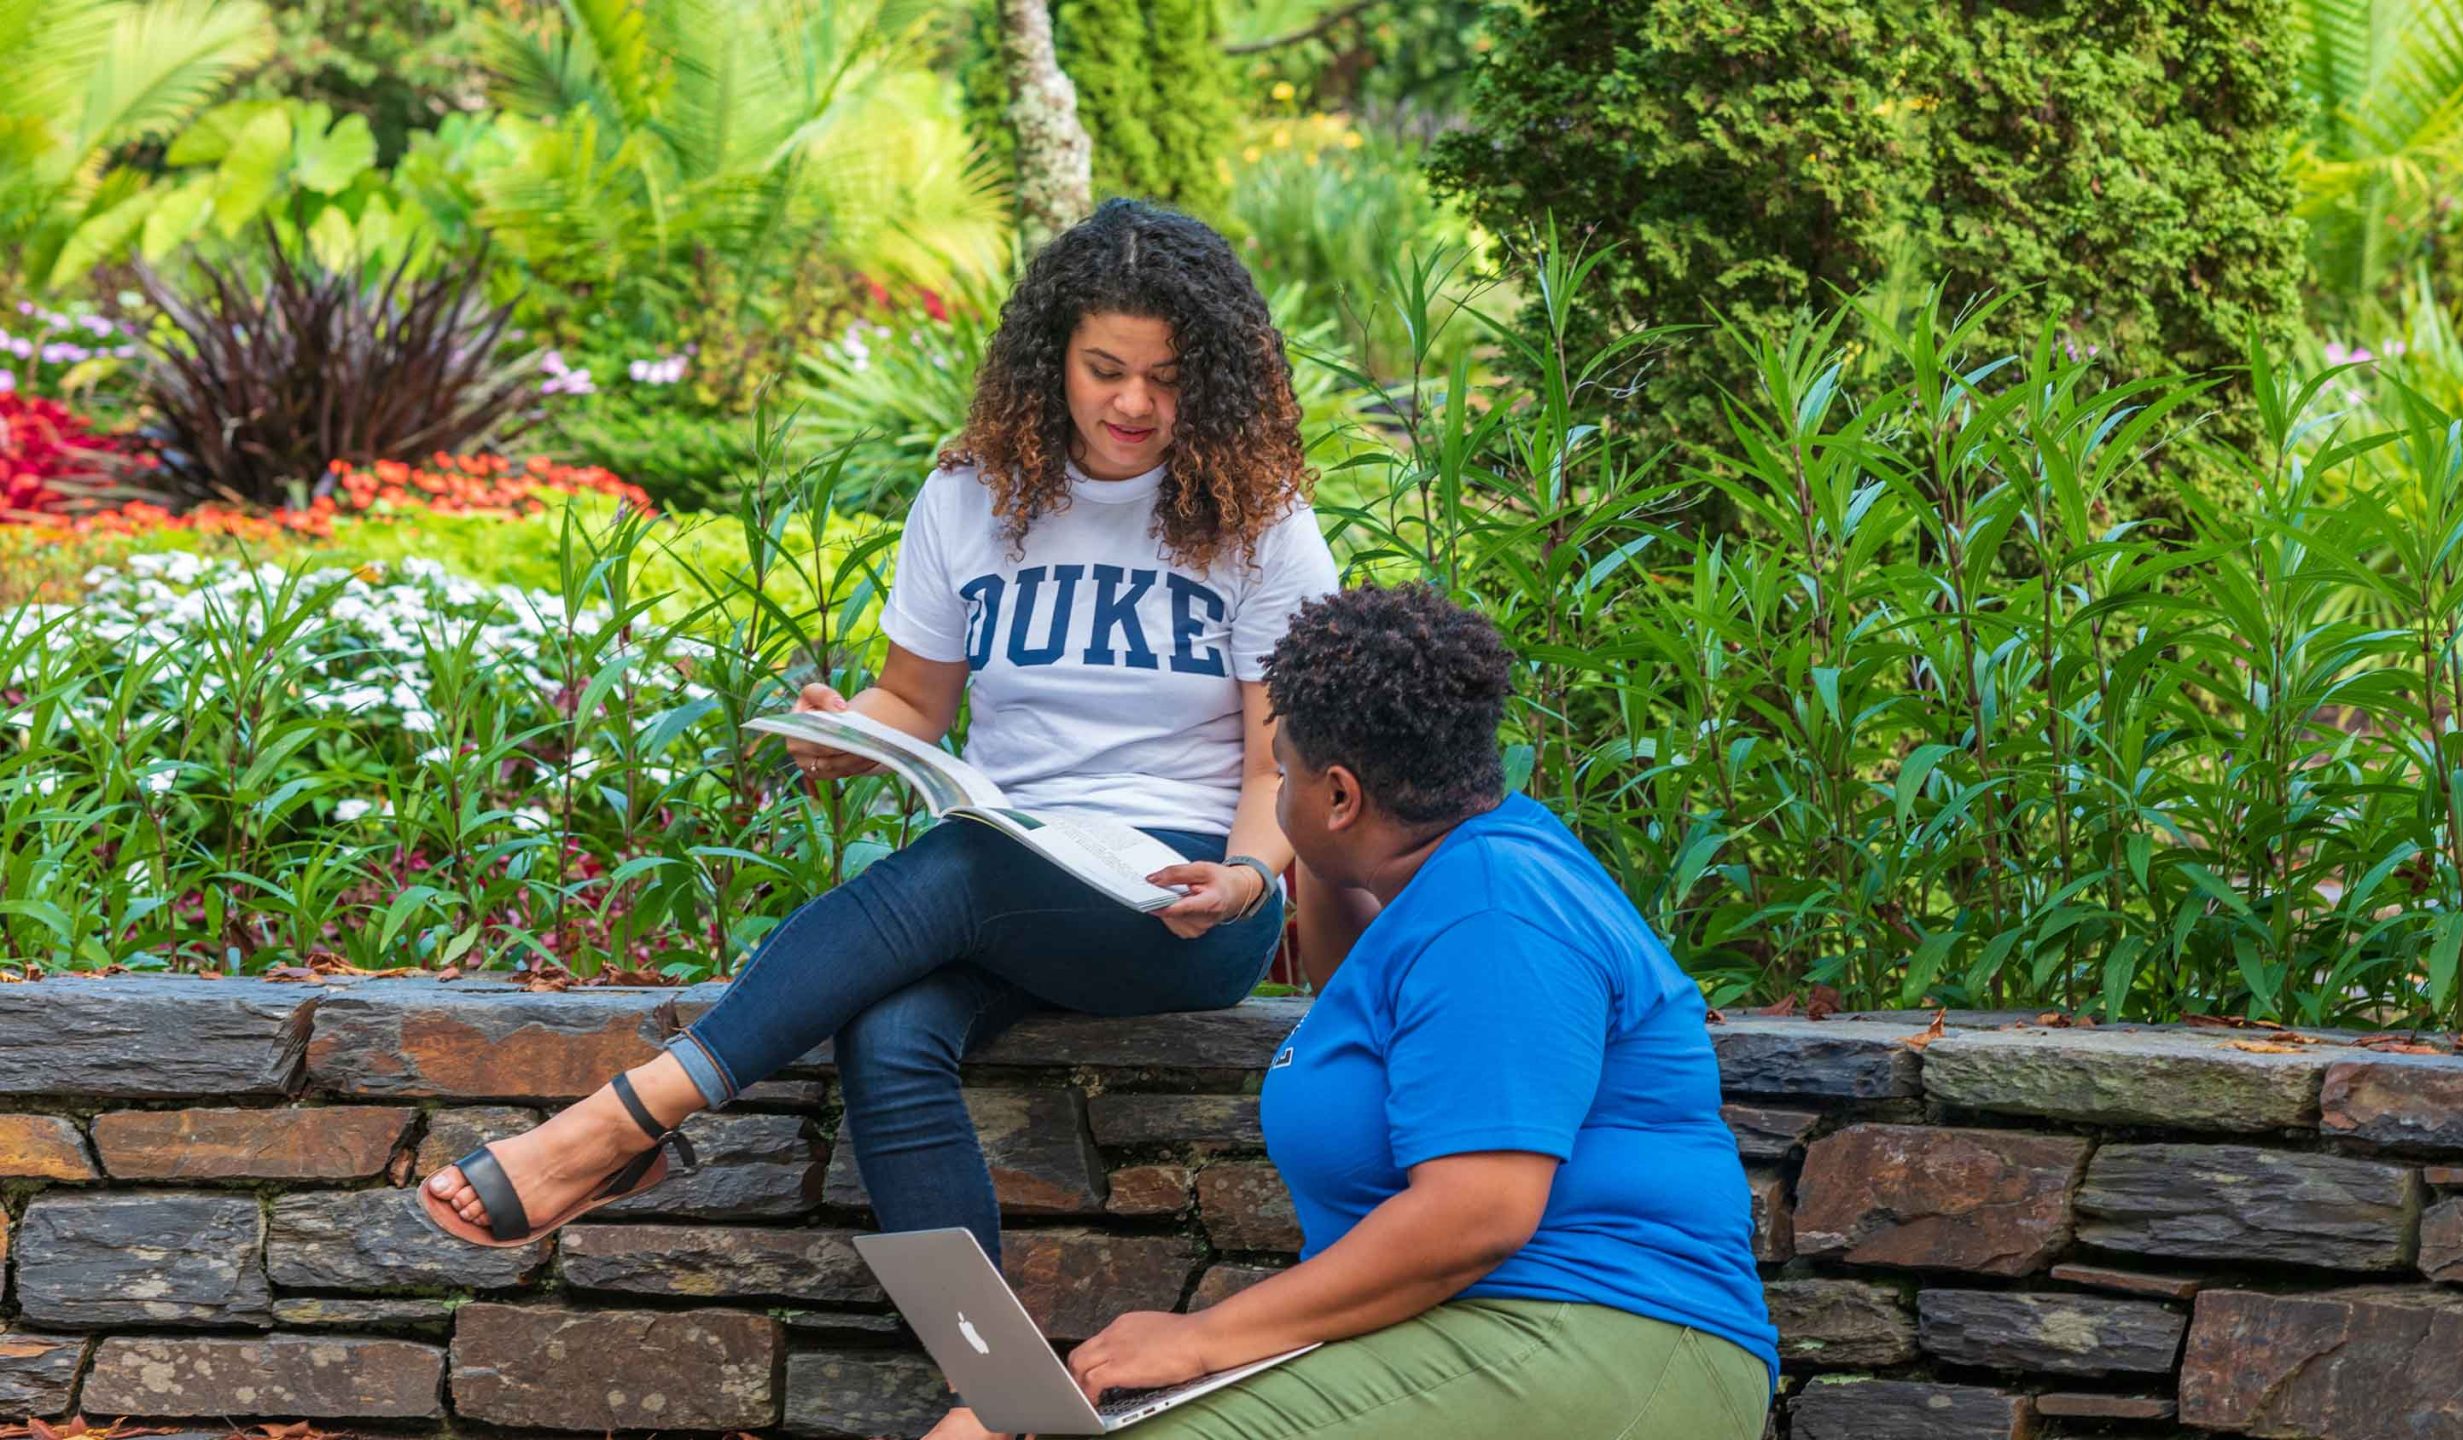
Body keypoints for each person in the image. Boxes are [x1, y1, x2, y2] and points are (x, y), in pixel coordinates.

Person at [420, 198, 1345, 1261]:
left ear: (1216, 378)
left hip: (1184, 902)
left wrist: (1242, 879)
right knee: (891, 1032)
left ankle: (620, 1122)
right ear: (1053, 357)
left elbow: (1283, 761)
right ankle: (986, 1392)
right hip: (1013, 876)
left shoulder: (1261, 524)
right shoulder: (971, 497)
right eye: (1105, 369)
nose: (1133, 402)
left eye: (1169, 378)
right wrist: (851, 729)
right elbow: (915, 702)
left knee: (966, 861)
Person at [929, 583, 1777, 1440]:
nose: (1270, 792)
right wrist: (1324, 853)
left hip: (1607, 1335)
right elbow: (1364, 1002)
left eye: (1281, 770)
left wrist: (1202, 1341)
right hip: (1471, 1330)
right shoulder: (1444, 883)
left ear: (1340, 794)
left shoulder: (1495, 909)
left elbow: (1478, 1212)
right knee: (996, 1427)